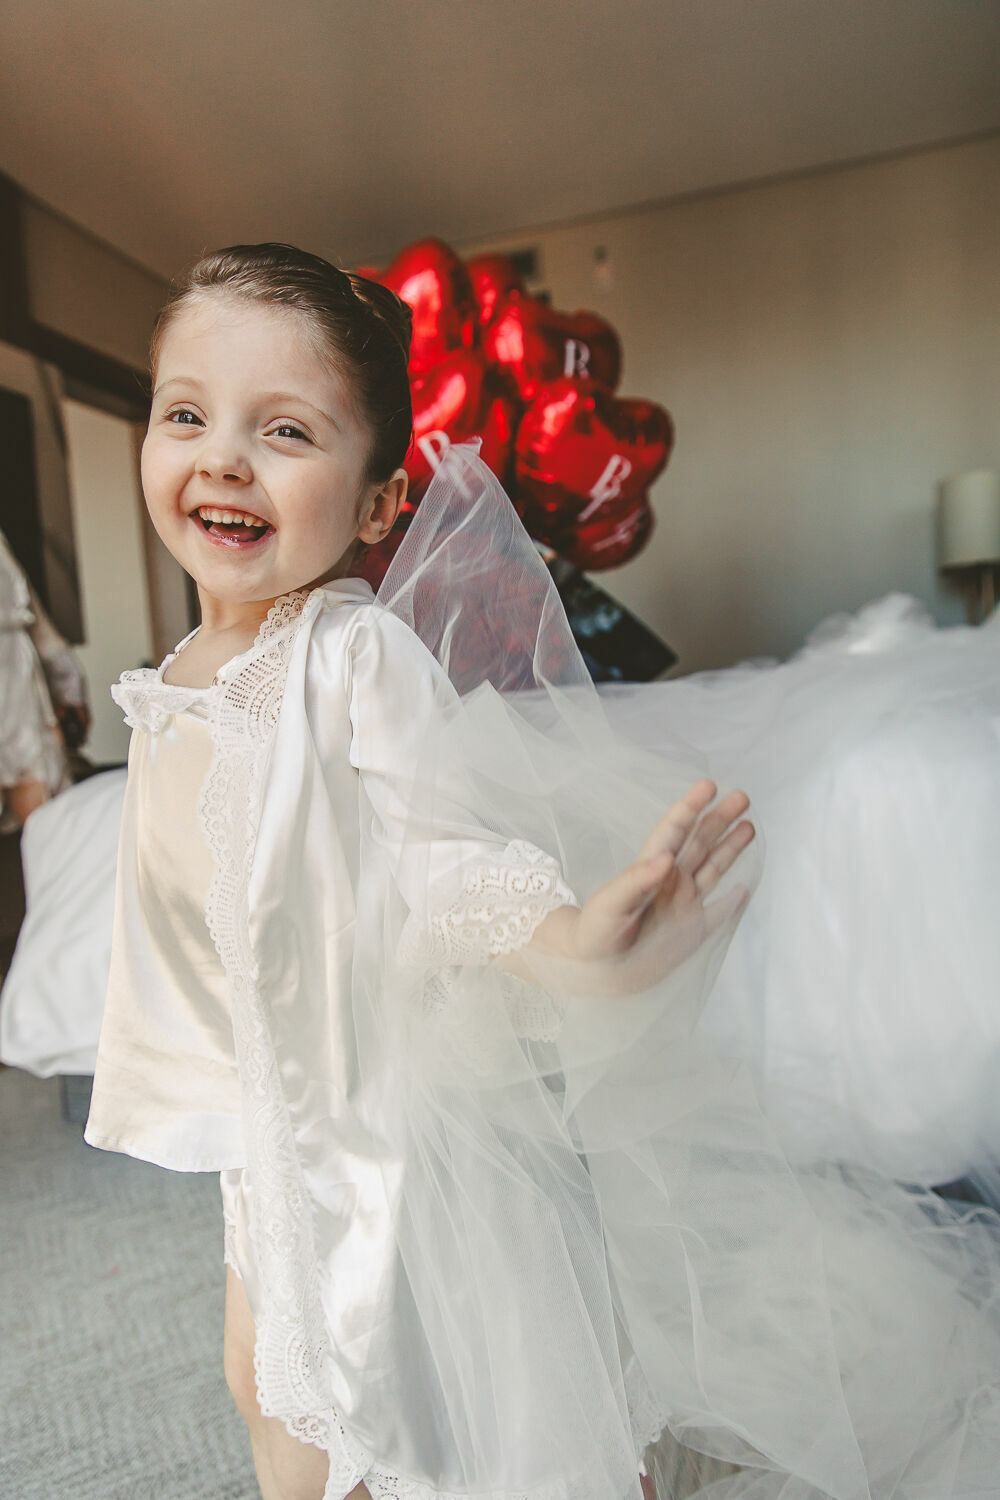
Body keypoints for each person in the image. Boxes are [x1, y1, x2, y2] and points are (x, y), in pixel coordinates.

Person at [82, 244, 1000, 1500]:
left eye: (284, 431)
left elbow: (437, 851)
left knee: (448, 1401)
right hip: (270, 1123)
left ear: (375, 505)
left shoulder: (356, 658)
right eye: (185, 414)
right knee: (268, 1378)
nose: (223, 456)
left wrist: (573, 941)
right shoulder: (175, 670)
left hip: (382, 1129)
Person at [0, 526, 90, 830]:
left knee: (41, 804)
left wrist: (69, 685)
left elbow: (31, 618)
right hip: (15, 681)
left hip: (16, 686)